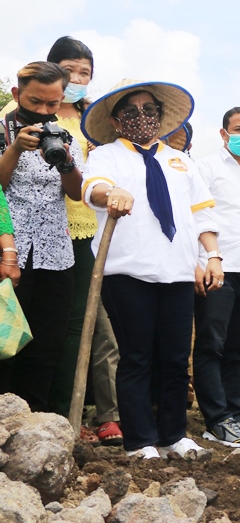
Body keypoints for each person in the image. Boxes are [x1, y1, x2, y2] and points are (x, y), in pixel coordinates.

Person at [80, 79, 220, 459]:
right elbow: (92, 188)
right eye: (130, 111)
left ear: (160, 115)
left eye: (149, 110)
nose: (141, 117)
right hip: (126, 272)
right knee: (137, 356)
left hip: (176, 271)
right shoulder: (106, 156)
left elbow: (202, 212)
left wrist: (213, 256)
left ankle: (174, 434)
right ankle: (140, 440)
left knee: (175, 358)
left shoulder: (180, 161)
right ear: (115, 119)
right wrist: (110, 194)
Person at [43, 37, 123, 446]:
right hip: (40, 233)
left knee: (80, 325)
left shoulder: (93, 120)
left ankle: (66, 416)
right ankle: (49, 414)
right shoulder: (26, 110)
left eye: (84, 73)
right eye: (69, 69)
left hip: (85, 232)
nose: (76, 79)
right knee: (51, 324)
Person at [0, 61, 84, 412]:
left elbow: (76, 193)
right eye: (36, 101)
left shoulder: (64, 136)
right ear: (18, 94)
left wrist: (66, 161)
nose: (44, 111)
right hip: (10, 248)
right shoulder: (3, 132)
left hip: (56, 252)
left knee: (47, 342)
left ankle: (36, 423)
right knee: (6, 341)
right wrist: (15, 148)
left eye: (52, 104)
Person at [194, 107, 240, 447]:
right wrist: (207, 260)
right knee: (212, 344)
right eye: (238, 128)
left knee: (237, 348)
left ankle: (235, 416)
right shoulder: (206, 168)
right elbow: (197, 217)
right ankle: (216, 419)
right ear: (223, 134)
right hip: (218, 269)